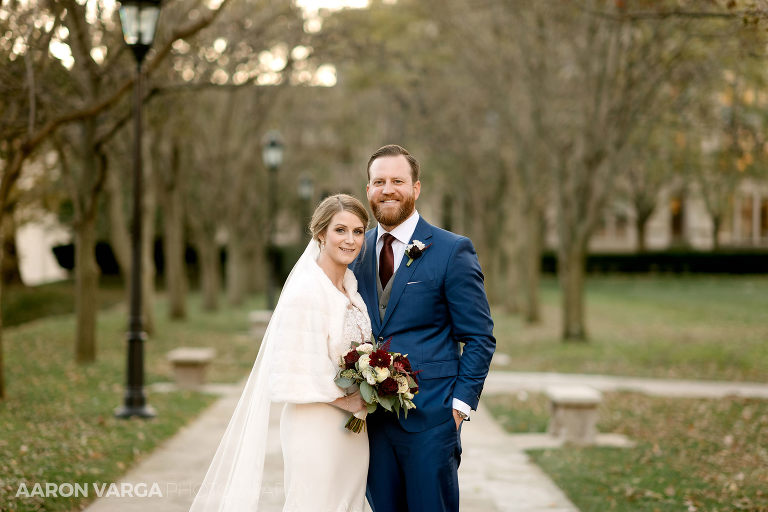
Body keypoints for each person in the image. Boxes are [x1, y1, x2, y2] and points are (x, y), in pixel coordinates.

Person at [190, 194, 373, 512]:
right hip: (316, 425)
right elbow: (294, 369)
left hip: (355, 430)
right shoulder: (305, 291)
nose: (350, 239)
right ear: (320, 234)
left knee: (348, 504)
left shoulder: (352, 291)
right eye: (340, 230)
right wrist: (350, 399)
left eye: (358, 231)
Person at [350, 144, 496, 512]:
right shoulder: (357, 252)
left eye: (397, 180)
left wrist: (458, 409)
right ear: (368, 190)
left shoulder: (451, 250)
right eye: (378, 181)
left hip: (432, 422)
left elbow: (479, 337)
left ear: (416, 188)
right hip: (372, 425)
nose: (387, 189)